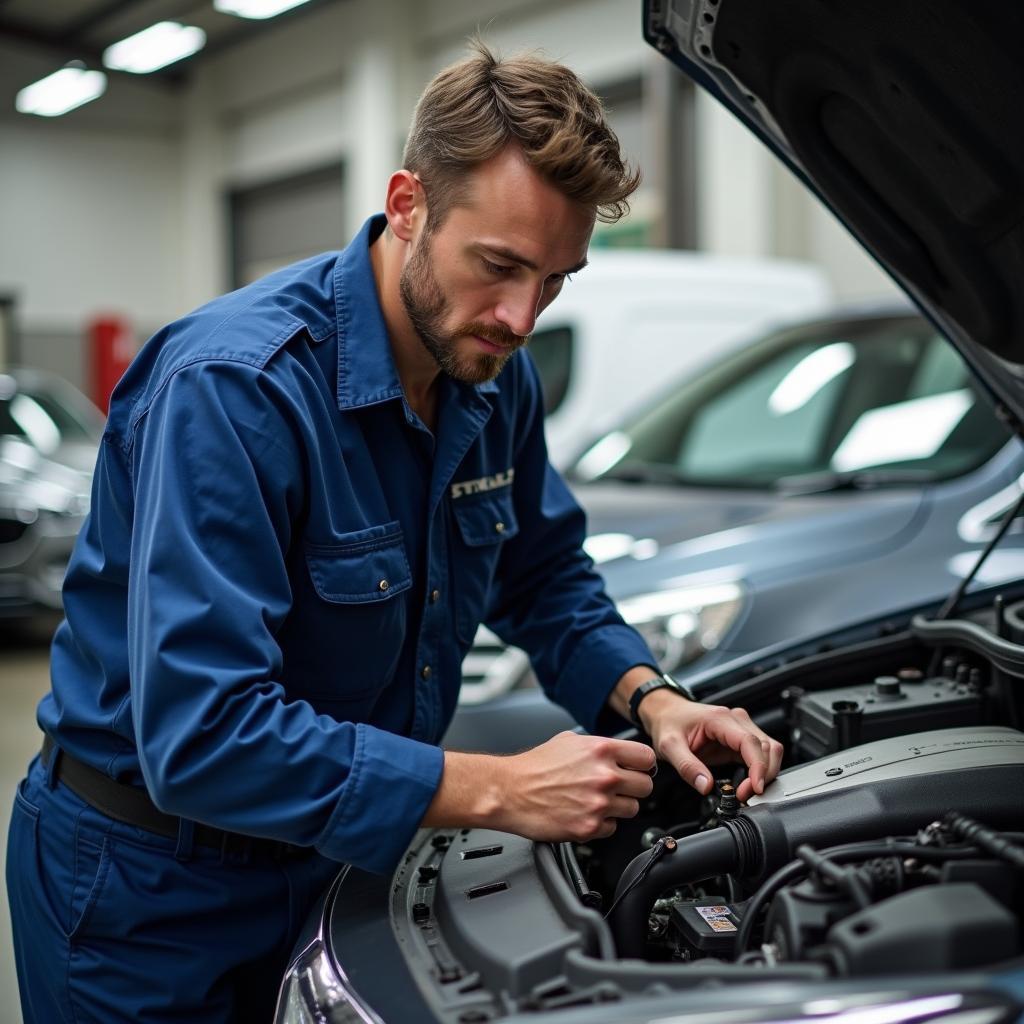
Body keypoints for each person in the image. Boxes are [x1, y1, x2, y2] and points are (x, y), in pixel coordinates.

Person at [6, 42, 783, 1023]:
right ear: (408, 203)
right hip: (149, 891)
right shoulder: (236, 393)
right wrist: (496, 789)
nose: (519, 316)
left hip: (336, 857)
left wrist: (651, 697)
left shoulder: (493, 376)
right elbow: (201, 734)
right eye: (498, 265)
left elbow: (542, 578)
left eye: (555, 280)